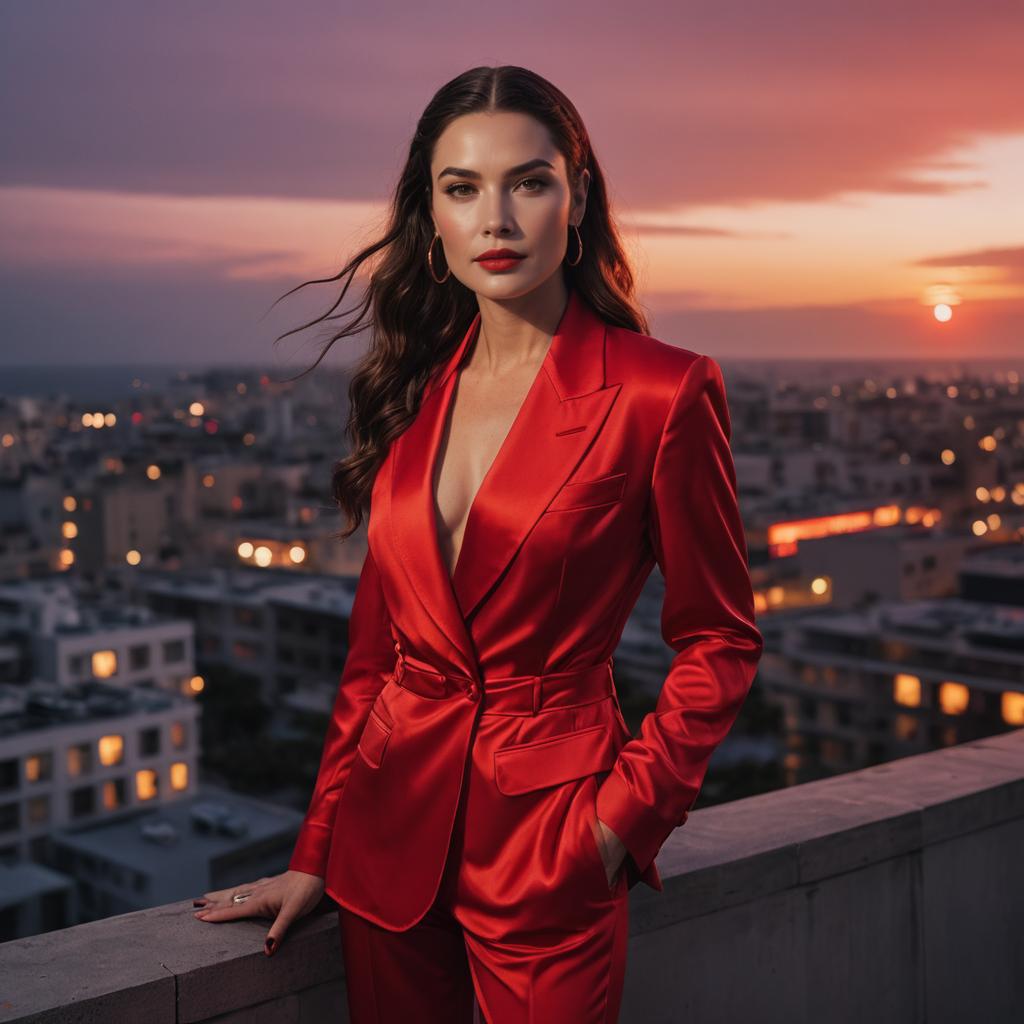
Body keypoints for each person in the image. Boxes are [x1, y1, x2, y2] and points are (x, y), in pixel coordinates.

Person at [191, 64, 763, 1023]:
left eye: (528, 182)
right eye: (462, 188)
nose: (496, 217)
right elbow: (375, 662)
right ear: (433, 217)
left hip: (551, 847)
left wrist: (622, 823)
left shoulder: (662, 392)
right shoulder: (410, 399)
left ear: (576, 200)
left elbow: (721, 639)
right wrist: (317, 851)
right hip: (384, 851)